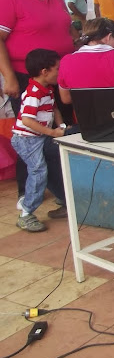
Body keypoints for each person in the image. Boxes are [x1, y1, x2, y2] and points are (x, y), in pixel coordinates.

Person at [0, 0, 76, 203]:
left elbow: (65, 28)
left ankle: (63, 189)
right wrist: (9, 77)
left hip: (59, 75)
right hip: (27, 77)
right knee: (30, 135)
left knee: (60, 129)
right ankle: (28, 193)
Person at [11, 49, 67, 232]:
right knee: (38, 170)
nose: (60, 72)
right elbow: (27, 120)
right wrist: (51, 132)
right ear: (45, 72)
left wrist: (62, 127)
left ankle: (64, 200)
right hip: (26, 139)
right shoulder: (34, 93)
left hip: (38, 136)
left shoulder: (47, 90)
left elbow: (54, 109)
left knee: (51, 166)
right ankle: (26, 213)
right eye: (57, 69)